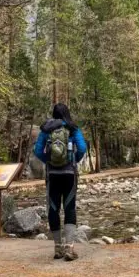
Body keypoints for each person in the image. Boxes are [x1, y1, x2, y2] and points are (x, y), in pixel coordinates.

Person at [34, 103, 86, 261]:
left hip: (53, 175)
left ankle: (57, 248)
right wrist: (73, 160)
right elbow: (82, 148)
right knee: (69, 207)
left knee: (53, 208)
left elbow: (37, 151)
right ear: (66, 114)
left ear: (53, 114)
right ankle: (69, 248)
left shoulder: (46, 129)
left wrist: (48, 161)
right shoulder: (72, 128)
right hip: (69, 174)